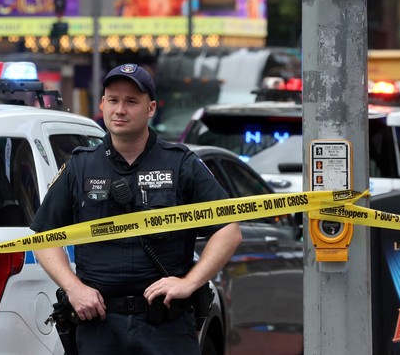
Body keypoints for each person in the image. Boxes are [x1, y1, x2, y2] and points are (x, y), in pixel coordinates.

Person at [31, 64, 242, 355]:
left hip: (166, 326)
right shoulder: (80, 166)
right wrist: (73, 288)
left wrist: (189, 283)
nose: (120, 110)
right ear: (102, 104)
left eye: (131, 101)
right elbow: (43, 236)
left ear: (151, 108)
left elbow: (229, 230)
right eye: (113, 100)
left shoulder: (180, 163)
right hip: (99, 325)